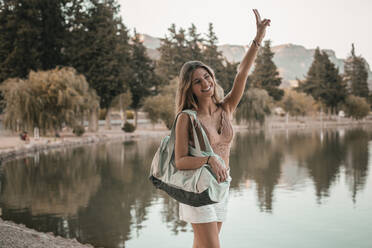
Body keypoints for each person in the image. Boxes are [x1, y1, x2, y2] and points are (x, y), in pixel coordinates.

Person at [174, 9, 270, 248]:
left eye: (207, 77)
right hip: (198, 189)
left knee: (202, 245)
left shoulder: (226, 107)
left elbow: (242, 73)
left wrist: (257, 39)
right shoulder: (187, 118)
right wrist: (209, 160)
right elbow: (180, 161)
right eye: (198, 81)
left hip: (221, 185)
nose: (206, 83)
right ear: (190, 87)